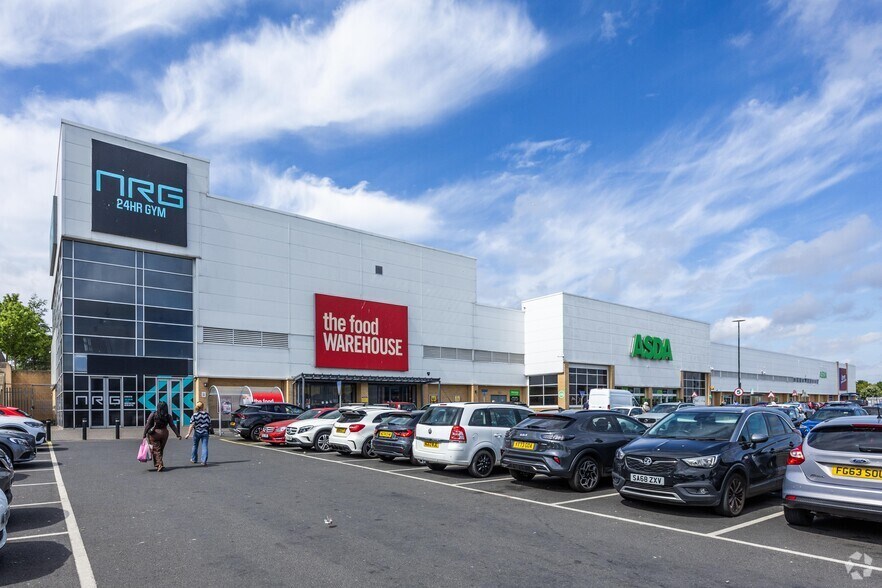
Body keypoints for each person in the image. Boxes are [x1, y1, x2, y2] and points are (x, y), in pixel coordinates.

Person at [143, 401, 181, 472]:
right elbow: (172, 425)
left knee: (156, 450)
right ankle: (158, 464)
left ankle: (159, 464)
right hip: (164, 433)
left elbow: (147, 425)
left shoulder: (153, 414)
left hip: (155, 433)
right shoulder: (168, 416)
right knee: (160, 449)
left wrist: (144, 434)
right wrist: (177, 434)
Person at [185, 401, 211, 466]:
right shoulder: (207, 415)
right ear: (203, 407)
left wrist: (188, 434)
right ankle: (204, 461)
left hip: (197, 432)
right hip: (205, 432)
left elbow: (192, 425)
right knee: (204, 446)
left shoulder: (194, 415)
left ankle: (194, 459)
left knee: (195, 446)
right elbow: (209, 424)